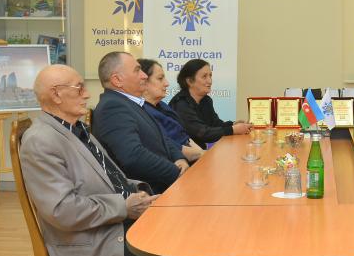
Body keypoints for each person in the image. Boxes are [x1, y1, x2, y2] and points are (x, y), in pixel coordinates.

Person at [19, 64, 162, 256]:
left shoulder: (76, 129)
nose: (87, 94)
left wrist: (139, 191)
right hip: (93, 245)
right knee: (174, 255)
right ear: (56, 94)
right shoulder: (40, 141)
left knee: (178, 238)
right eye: (80, 88)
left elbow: (110, 178)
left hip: (111, 226)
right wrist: (124, 206)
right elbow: (62, 210)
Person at [91, 51, 189, 194]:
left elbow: (162, 138)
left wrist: (179, 158)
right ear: (117, 80)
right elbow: (133, 156)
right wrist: (175, 172)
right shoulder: (112, 107)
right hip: (149, 194)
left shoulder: (131, 102)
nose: (144, 75)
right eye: (137, 70)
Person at [137, 58, 205, 163]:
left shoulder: (162, 105)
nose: (167, 83)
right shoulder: (142, 113)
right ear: (144, 82)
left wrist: (202, 153)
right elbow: (167, 144)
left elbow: (184, 136)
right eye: (160, 79)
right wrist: (202, 154)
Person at [170, 58, 251, 146]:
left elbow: (215, 124)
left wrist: (233, 124)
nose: (210, 81)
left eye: (210, 76)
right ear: (189, 81)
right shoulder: (181, 104)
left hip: (201, 150)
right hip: (183, 153)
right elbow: (202, 133)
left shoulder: (206, 100)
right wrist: (233, 129)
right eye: (204, 76)